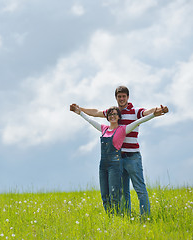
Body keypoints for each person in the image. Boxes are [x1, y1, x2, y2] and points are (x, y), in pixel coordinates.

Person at [72, 86, 168, 215]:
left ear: (128, 97)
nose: (121, 99)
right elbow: (95, 113)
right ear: (116, 98)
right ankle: (127, 216)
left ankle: (146, 216)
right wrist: (80, 109)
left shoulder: (135, 111)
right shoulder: (114, 113)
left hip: (133, 157)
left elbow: (146, 113)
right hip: (117, 159)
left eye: (124, 96)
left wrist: (158, 110)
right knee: (123, 191)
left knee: (139, 188)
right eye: (119, 96)